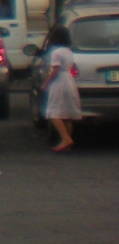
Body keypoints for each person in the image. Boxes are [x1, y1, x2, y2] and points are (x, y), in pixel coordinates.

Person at [41, 25, 81, 153]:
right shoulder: (68, 52)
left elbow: (55, 71)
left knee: (54, 112)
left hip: (59, 83)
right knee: (66, 114)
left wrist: (45, 83)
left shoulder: (56, 52)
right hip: (69, 80)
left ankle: (65, 138)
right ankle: (67, 141)